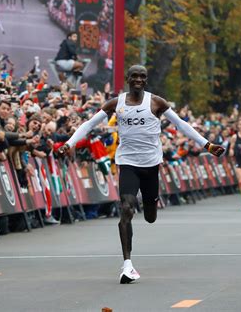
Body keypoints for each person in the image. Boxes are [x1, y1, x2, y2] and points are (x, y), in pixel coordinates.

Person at [59, 65, 224, 284]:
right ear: (127, 79)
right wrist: (69, 143)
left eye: (142, 77)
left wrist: (207, 145)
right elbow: (89, 125)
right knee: (126, 208)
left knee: (150, 216)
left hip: (151, 165)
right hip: (127, 162)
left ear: (146, 80)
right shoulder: (115, 103)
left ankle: (151, 204)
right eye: (134, 76)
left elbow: (182, 125)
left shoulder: (156, 102)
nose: (138, 79)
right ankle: (127, 265)